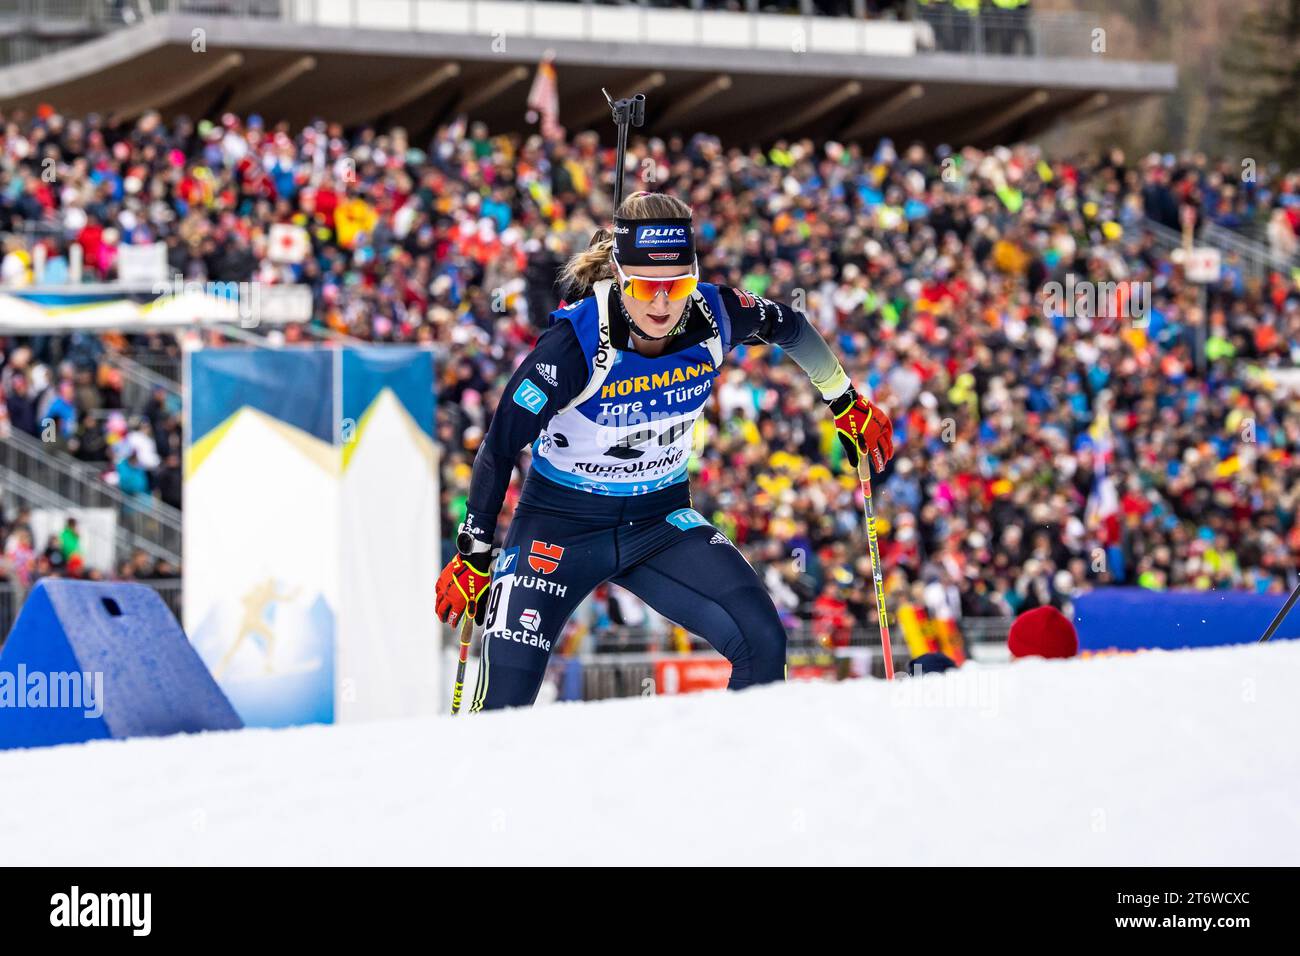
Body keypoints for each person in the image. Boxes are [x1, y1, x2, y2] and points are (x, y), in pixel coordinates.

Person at [436, 191, 896, 711]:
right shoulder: (574, 346)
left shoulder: (715, 313)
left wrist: (844, 399)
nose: (661, 305)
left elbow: (789, 325)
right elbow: (499, 447)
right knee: (503, 703)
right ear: (618, 275)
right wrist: (472, 552)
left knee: (763, 640)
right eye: (645, 287)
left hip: (659, 523)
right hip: (558, 526)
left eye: (677, 286)